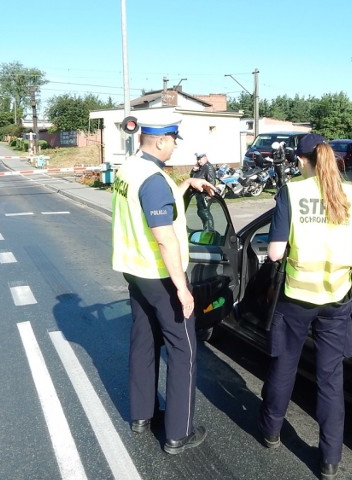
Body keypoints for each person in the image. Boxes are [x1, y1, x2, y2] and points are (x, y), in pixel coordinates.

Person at [257, 133, 352, 480]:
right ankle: (329, 459)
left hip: (296, 299)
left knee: (284, 366)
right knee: (329, 379)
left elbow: (275, 252)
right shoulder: (350, 194)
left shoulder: (292, 193)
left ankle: (271, 431)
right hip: (337, 299)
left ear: (300, 160)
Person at [111, 120, 215, 454]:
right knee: (184, 351)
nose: (176, 147)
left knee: (143, 341)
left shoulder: (129, 168)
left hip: (135, 271)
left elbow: (150, 204)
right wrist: (182, 288)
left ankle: (141, 416)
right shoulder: (153, 180)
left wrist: (186, 184)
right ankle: (177, 434)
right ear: (160, 141)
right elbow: (165, 238)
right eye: (173, 142)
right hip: (160, 275)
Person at [190, 153, 217, 231]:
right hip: (199, 193)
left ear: (205, 158)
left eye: (200, 159)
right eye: (197, 159)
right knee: (201, 212)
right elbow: (193, 178)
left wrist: (209, 194)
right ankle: (206, 228)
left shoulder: (208, 167)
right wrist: (194, 170)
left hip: (205, 193)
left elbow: (211, 181)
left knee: (204, 212)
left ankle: (209, 230)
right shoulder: (201, 167)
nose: (198, 161)